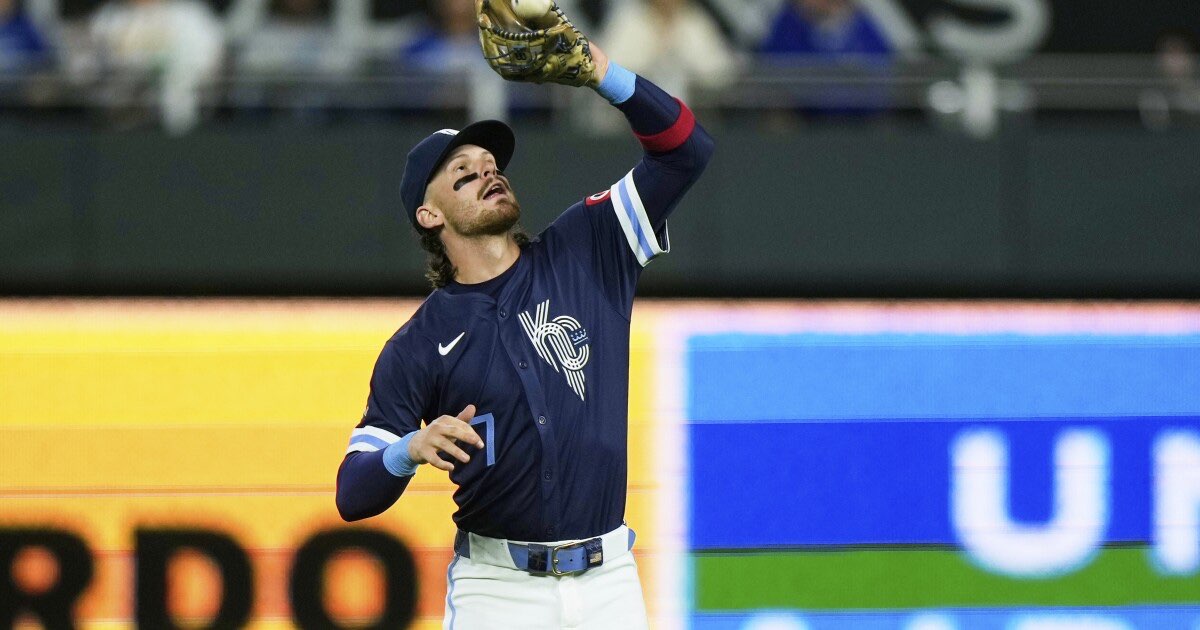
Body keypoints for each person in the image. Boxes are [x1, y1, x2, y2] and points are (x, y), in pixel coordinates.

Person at [334, 31, 714, 629]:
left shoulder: (587, 247)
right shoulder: (416, 344)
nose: (488, 173)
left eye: (492, 165)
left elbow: (685, 148)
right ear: (429, 215)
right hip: (497, 590)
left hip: (610, 581)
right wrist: (409, 449)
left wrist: (599, 72)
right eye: (463, 173)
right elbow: (352, 494)